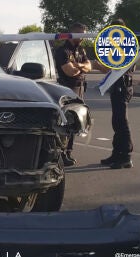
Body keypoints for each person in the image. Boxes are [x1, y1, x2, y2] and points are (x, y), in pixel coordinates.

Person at [95, 19, 134, 169]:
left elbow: (112, 66)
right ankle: (117, 153)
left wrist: (97, 65)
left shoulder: (127, 45)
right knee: (117, 121)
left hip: (122, 86)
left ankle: (125, 156)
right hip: (118, 86)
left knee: (121, 122)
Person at [54, 22, 92, 166]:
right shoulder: (63, 51)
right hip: (67, 89)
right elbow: (69, 71)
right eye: (81, 35)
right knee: (66, 123)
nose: (83, 38)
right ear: (74, 33)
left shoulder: (81, 50)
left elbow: (89, 67)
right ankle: (61, 154)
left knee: (76, 122)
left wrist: (79, 66)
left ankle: (68, 152)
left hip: (80, 88)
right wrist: (81, 67)